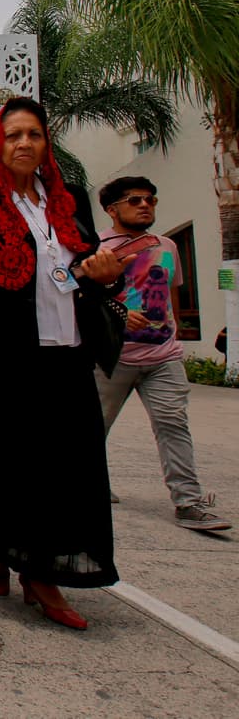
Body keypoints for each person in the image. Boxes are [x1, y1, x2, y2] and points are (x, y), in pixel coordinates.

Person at [0, 97, 127, 632]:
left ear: (45, 144)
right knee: (5, 459)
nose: (24, 144)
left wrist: (105, 272)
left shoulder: (68, 198)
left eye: (34, 134)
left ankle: (31, 562)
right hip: (4, 358)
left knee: (69, 464)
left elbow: (85, 268)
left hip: (67, 352)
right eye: (13, 134)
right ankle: (33, 572)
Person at [93, 177, 231, 531]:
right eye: (135, 200)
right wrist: (118, 311)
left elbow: (170, 295)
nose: (144, 205)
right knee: (91, 430)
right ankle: (90, 487)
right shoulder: (97, 250)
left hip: (163, 357)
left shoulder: (167, 246)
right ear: (112, 209)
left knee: (174, 427)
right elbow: (79, 299)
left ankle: (189, 502)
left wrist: (176, 334)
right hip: (112, 357)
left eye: (150, 200)